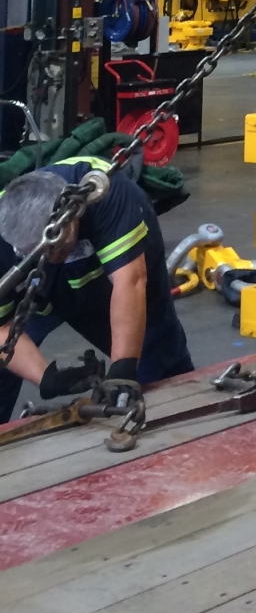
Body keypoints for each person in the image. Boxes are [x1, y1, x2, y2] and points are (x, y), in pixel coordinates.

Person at [0, 156, 193, 424]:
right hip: (37, 288)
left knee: (158, 361)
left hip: (112, 272)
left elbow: (130, 281)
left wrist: (123, 367)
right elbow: (2, 329)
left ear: (72, 212)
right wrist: (46, 378)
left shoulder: (108, 194)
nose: (53, 255)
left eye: (57, 247)